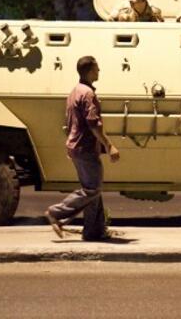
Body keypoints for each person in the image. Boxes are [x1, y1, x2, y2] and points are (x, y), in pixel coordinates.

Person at [45, 56, 120, 241]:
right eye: (97, 69)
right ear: (89, 71)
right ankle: (56, 213)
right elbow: (94, 124)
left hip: (75, 146)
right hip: (84, 147)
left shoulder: (75, 91)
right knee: (92, 189)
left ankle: (94, 231)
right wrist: (109, 146)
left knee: (92, 188)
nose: (99, 71)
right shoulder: (87, 94)